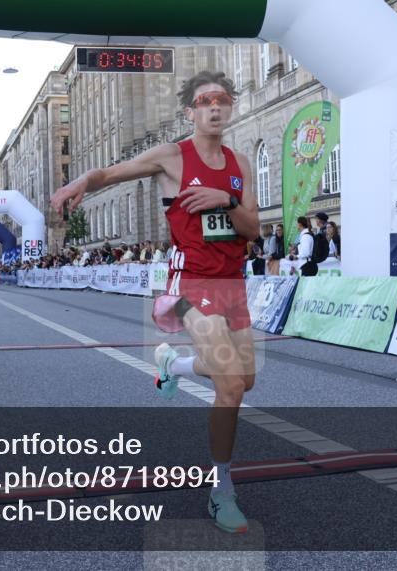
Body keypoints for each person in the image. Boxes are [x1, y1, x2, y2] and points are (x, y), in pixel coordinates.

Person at [51, 70, 260, 533]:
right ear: (190, 111)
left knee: (244, 380)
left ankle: (174, 366)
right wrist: (78, 184)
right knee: (228, 389)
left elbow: (253, 230)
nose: (214, 107)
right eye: (204, 100)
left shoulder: (241, 164)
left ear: (229, 108)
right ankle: (222, 489)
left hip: (232, 283)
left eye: (222, 99)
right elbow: (110, 173)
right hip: (191, 284)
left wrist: (225, 199)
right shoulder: (171, 157)